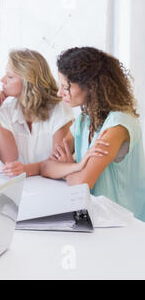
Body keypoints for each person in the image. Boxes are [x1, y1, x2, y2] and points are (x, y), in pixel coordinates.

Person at [40, 46, 145, 221]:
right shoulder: (84, 121)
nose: (60, 93)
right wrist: (77, 167)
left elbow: (82, 183)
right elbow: (46, 167)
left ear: (90, 86)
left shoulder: (118, 125)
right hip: (94, 217)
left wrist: (67, 170)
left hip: (123, 223)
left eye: (66, 87)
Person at [0, 49, 74, 176]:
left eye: (10, 76)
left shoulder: (59, 108)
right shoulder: (4, 111)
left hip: (51, 185)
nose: (3, 80)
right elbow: (9, 160)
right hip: (17, 187)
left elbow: (58, 163)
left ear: (28, 81)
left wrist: (26, 170)